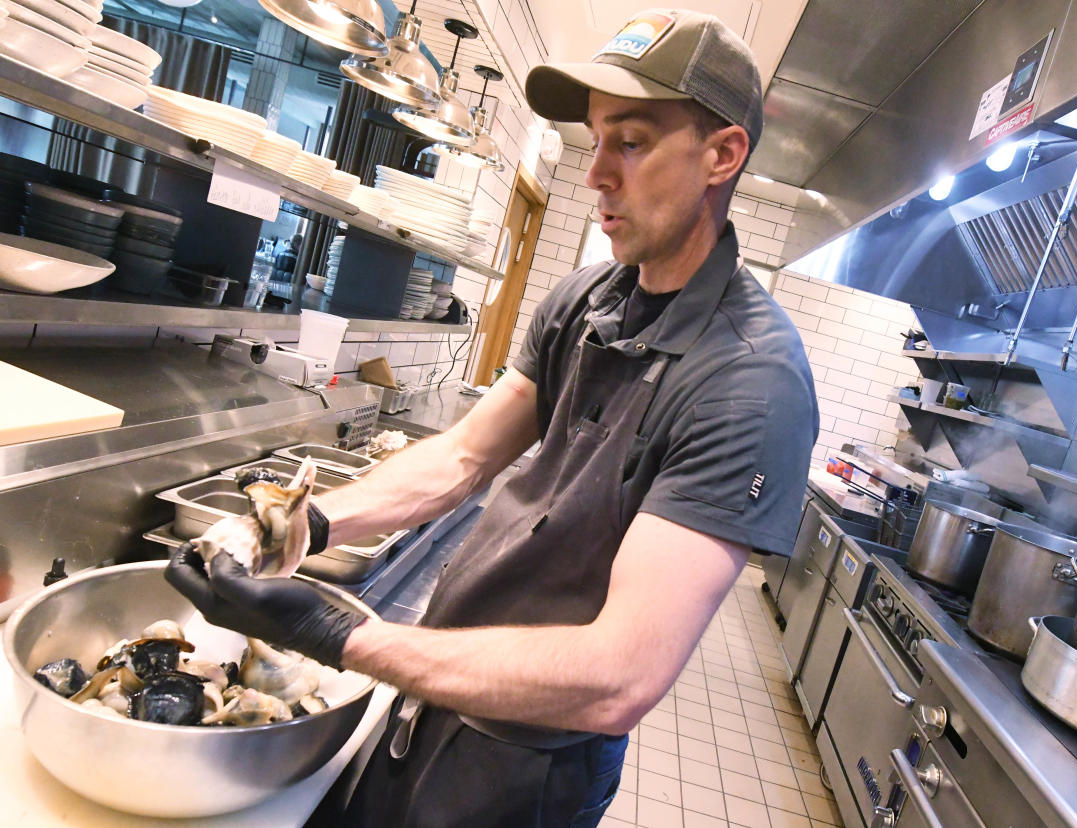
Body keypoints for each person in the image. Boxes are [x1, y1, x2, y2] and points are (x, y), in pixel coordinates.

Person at [167, 9, 818, 826]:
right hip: (441, 689)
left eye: (633, 141)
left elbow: (620, 676)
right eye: (595, 138)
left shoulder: (752, 384)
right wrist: (309, 522)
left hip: (531, 766)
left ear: (722, 155)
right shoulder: (585, 301)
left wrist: (340, 637)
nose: (596, 175)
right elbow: (461, 459)